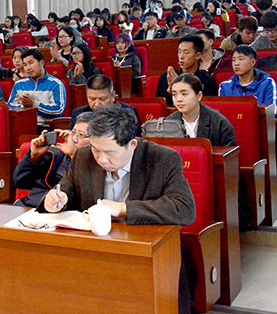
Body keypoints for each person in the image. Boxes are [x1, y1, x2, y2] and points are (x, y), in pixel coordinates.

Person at [37, 104, 195, 313]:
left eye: (110, 152)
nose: (101, 159)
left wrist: (123, 209)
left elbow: (184, 208)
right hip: (96, 251)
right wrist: (55, 200)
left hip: (147, 252)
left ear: (132, 145)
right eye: (96, 150)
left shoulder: (162, 159)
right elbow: (66, 193)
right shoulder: (84, 157)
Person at [13, 112, 93, 208]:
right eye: (74, 132)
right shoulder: (54, 153)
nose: (74, 139)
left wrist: (74, 156)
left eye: (82, 135)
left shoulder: (96, 163)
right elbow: (19, 182)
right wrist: (33, 157)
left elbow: (81, 198)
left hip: (60, 210)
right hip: (31, 205)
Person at [167, 74, 236, 146]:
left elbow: (228, 151)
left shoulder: (220, 124)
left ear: (199, 96)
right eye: (174, 94)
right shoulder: (168, 123)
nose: (178, 99)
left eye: (184, 94)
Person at [8, 49, 66, 132]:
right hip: (21, 125)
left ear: (41, 63)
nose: (28, 68)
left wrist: (34, 104)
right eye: (25, 64)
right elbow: (10, 106)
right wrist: (25, 108)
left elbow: (58, 110)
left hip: (44, 126)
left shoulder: (55, 84)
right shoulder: (19, 84)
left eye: (31, 63)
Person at [155, 35, 218, 106]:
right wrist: (170, 90)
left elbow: (203, 107)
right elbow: (160, 106)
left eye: (186, 52)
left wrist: (178, 85)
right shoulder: (167, 77)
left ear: (198, 56)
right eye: (179, 52)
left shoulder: (207, 81)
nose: (181, 57)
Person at [68, 74, 141, 133]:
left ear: (113, 96)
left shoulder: (128, 113)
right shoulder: (78, 113)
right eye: (92, 99)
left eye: (102, 99)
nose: (97, 104)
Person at [219, 45, 277, 115]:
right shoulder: (225, 86)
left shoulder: (267, 83)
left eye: (241, 59)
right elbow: (222, 115)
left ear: (253, 62)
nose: (236, 63)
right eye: (234, 60)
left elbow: (271, 113)